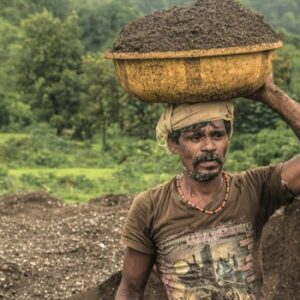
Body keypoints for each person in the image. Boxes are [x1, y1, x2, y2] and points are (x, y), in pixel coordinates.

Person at [115, 74, 300, 300]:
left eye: (218, 135)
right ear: (174, 144)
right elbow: (131, 290)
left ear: (227, 139)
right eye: (195, 138)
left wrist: (269, 94)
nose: (209, 147)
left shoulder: (255, 188)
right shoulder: (151, 206)